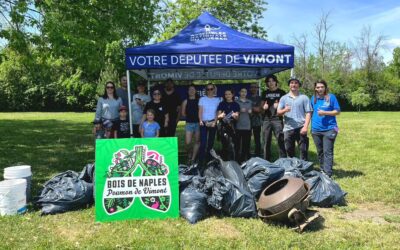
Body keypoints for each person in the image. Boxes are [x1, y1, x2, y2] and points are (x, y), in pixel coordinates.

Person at [311, 80, 341, 177]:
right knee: (320, 152)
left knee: (327, 152)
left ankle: (328, 174)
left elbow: (337, 111)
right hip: (316, 130)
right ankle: (323, 169)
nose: (320, 89)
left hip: (329, 129)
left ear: (325, 87)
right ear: (315, 88)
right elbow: (309, 112)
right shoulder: (313, 98)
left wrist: (325, 113)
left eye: (322, 87)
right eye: (318, 87)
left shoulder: (331, 97)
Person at [277, 78, 312, 160]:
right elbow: (278, 112)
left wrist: (305, 127)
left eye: (296, 83)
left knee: (303, 150)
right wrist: (285, 110)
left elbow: (308, 112)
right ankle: (292, 169)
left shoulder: (304, 97)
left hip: (301, 127)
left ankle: (303, 168)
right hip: (288, 128)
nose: (294, 85)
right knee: (289, 150)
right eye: (292, 83)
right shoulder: (284, 98)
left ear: (299, 85)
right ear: (289, 85)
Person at [262, 74, 287, 161]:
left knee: (280, 140)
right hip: (266, 120)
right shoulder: (264, 93)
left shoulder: (282, 92)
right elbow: (262, 107)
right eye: (269, 81)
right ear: (267, 83)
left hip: (277, 120)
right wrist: (264, 107)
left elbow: (286, 107)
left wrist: (280, 106)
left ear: (276, 82)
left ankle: (283, 161)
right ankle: (266, 161)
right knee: (266, 142)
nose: (271, 83)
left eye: (272, 81)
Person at [198, 83, 220, 163]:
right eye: (208, 89)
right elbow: (200, 111)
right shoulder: (202, 99)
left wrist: (215, 122)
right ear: (205, 90)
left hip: (213, 122)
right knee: (203, 143)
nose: (209, 91)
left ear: (214, 90)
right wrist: (200, 120)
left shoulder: (217, 100)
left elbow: (218, 112)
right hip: (203, 123)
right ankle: (200, 161)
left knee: (210, 143)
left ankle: (208, 160)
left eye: (211, 89)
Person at [217, 89, 240, 161]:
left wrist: (235, 115)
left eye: (229, 94)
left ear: (232, 95)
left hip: (232, 127)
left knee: (233, 144)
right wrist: (221, 115)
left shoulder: (236, 104)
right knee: (225, 145)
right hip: (223, 127)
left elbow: (237, 117)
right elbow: (218, 116)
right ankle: (225, 161)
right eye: (226, 94)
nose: (227, 96)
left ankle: (234, 161)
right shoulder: (221, 104)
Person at [181, 84, 200, 165]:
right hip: (189, 123)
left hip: (198, 123)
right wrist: (190, 117)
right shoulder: (185, 101)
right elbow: (183, 113)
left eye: (193, 89)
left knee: (197, 141)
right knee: (188, 142)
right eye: (190, 90)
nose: (191, 91)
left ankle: (192, 159)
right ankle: (189, 153)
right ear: (188, 92)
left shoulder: (199, 101)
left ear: (195, 91)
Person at [235, 88, 252, 163]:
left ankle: (245, 160)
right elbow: (233, 113)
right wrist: (239, 111)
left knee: (246, 144)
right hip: (238, 125)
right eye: (242, 91)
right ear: (239, 92)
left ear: (246, 93)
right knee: (237, 144)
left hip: (247, 126)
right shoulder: (236, 101)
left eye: (245, 92)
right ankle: (237, 160)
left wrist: (250, 112)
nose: (243, 93)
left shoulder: (249, 102)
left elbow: (251, 115)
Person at [249, 83, 263, 157]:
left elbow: (260, 109)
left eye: (255, 87)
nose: (254, 89)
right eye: (252, 87)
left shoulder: (260, 98)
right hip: (247, 121)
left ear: (258, 88)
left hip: (257, 121)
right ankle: (247, 154)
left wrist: (251, 108)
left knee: (257, 138)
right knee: (247, 138)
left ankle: (258, 154)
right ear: (250, 89)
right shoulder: (247, 98)